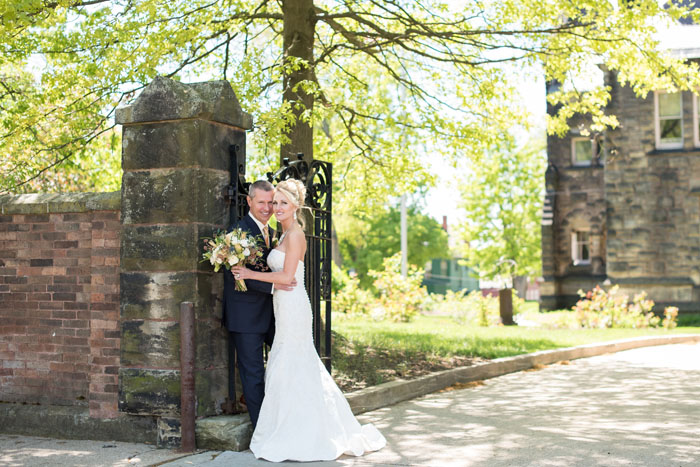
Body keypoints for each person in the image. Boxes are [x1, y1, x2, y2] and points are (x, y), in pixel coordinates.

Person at [232, 179, 386, 462]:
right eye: (274, 202)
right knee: (286, 365)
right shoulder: (282, 234)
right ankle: (290, 426)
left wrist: (249, 274)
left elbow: (287, 278)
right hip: (281, 305)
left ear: (296, 206)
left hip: (292, 306)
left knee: (294, 363)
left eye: (282, 203)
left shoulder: (296, 235)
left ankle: (306, 432)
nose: (276, 208)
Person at [222, 180, 295, 428]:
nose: (267, 208)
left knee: (286, 364)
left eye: (271, 202)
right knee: (253, 375)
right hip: (246, 317)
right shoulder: (236, 233)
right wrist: (276, 285)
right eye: (262, 202)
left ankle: (285, 418)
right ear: (249, 201)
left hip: (275, 313)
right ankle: (261, 430)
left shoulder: (274, 233)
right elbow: (237, 274)